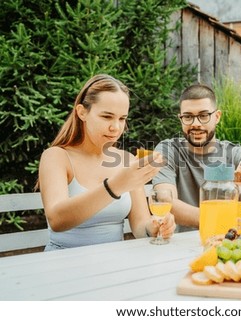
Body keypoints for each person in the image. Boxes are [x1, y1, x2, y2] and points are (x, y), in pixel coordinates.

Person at [38, 74, 176, 251]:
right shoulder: (56, 157)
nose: (116, 128)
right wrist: (115, 186)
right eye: (106, 117)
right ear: (82, 112)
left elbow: (140, 225)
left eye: (122, 118)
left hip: (113, 264)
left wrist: (156, 227)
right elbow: (57, 220)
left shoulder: (127, 160)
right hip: (63, 263)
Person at [152, 83, 241, 232]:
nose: (196, 124)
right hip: (181, 246)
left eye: (204, 116)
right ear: (180, 119)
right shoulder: (167, 150)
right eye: (188, 117)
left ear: (217, 117)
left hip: (228, 243)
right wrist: (220, 221)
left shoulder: (236, 153)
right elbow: (165, 201)